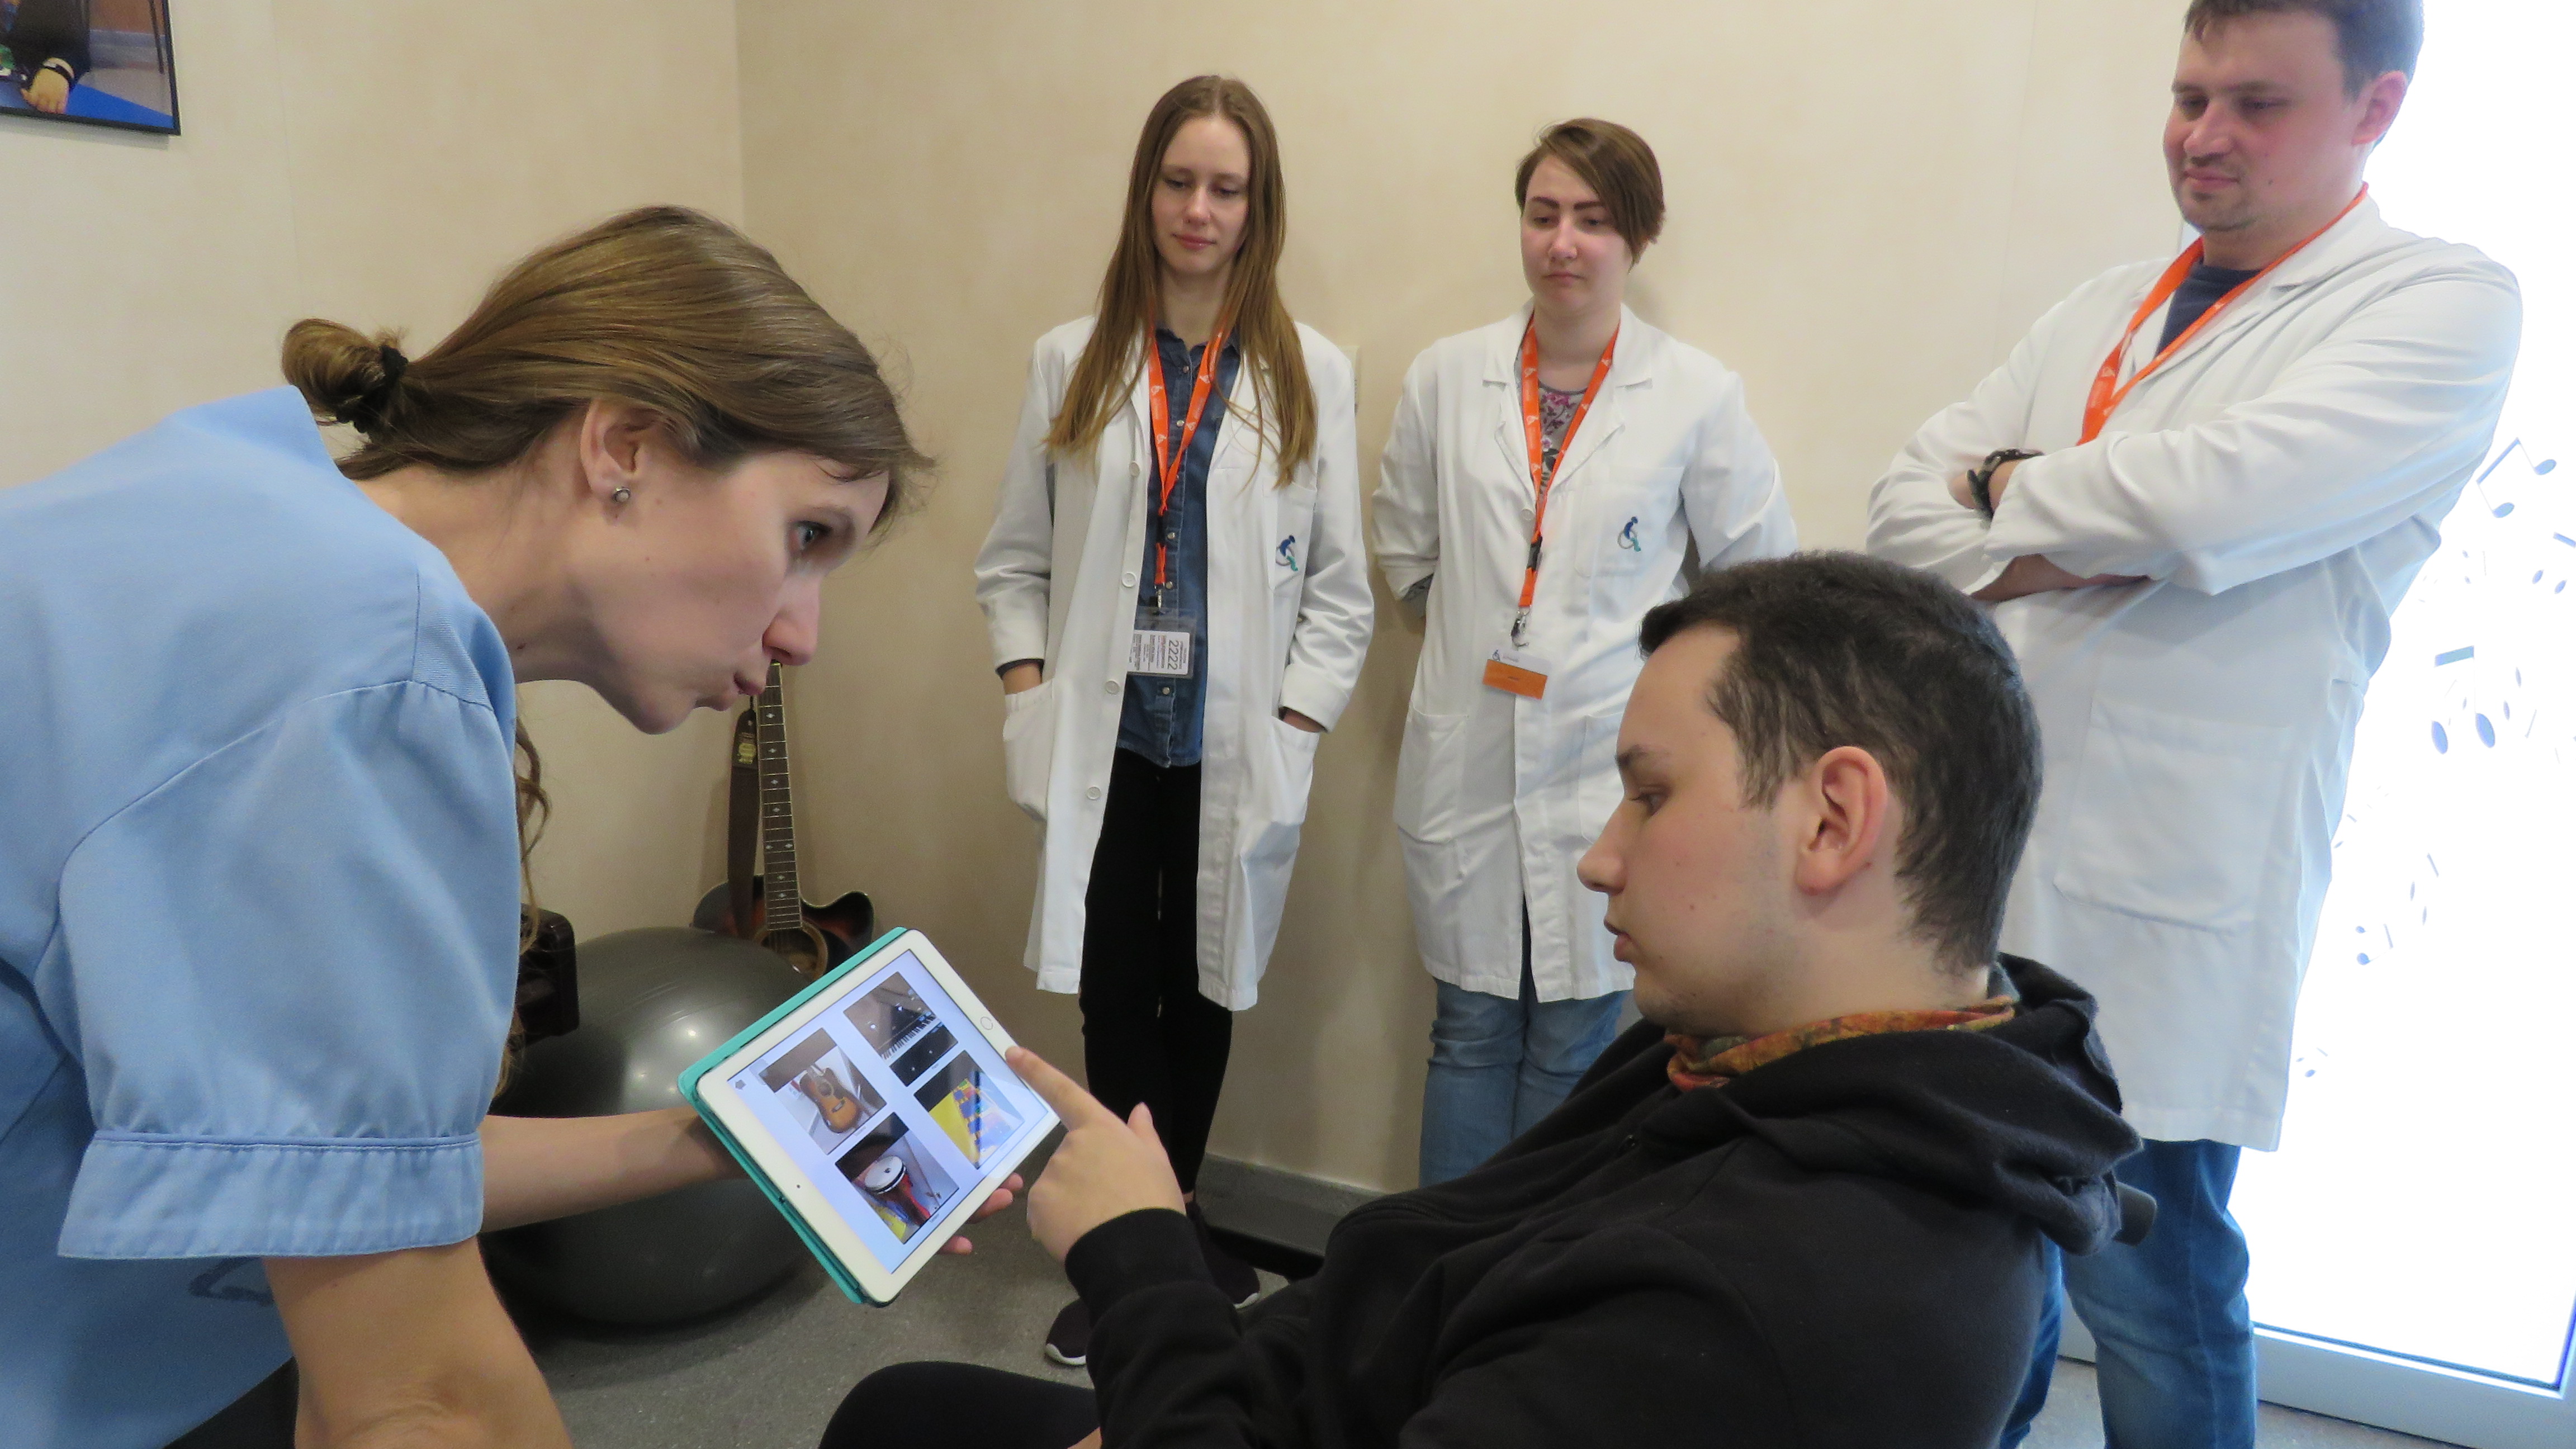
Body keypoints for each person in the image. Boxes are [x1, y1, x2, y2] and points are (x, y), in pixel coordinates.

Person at [0, 206, 1029, 1449]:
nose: (802, 633)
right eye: (806, 536)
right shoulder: (371, 671)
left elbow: (366, 1168)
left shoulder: (237, 497)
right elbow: (419, 1395)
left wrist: (747, 1132)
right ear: (625, 445)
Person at [822, 553, 2146, 1449]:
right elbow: (1407, 1287)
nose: (1601, 857)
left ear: (1834, 819)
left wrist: (1138, 1259)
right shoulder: (1757, 1048)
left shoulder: (1753, 1310)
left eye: (1652, 794)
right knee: (908, 1413)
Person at [1863, 2, 2520, 1445]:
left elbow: (2208, 502)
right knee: (1990, 1246)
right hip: (1995, 858)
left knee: (2151, 1277)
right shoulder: (2102, 306)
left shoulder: (2442, 304)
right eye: (2188, 95)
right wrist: (2076, 527)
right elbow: (1902, 509)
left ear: (2376, 109)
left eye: (2257, 104)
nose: (2203, 136)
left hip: (2176, 876)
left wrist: (2008, 490)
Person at [973, 74, 1372, 1368]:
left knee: (1205, 981)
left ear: (1260, 207)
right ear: (1147, 191)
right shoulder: (1072, 357)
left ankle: (1179, 1226)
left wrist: (1295, 724)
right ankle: (1128, 1249)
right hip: (1106, 739)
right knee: (1115, 988)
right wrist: (1027, 689)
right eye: (1180, 182)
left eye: (1226, 188)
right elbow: (1012, 560)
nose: (1200, 210)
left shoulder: (1311, 373)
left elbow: (1342, 591)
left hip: (1233, 740)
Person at [1371, 119, 1794, 1186]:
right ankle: (1438, 1263)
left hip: (1609, 771)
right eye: (1544, 215)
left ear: (1637, 238)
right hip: (1468, 752)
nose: (1563, 243)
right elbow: (1407, 550)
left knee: (1576, 1042)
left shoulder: (1695, 394)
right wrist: (1488, 629)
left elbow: (1758, 578)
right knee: (1468, 1028)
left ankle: (1531, 1271)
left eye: (1594, 221)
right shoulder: (1446, 376)